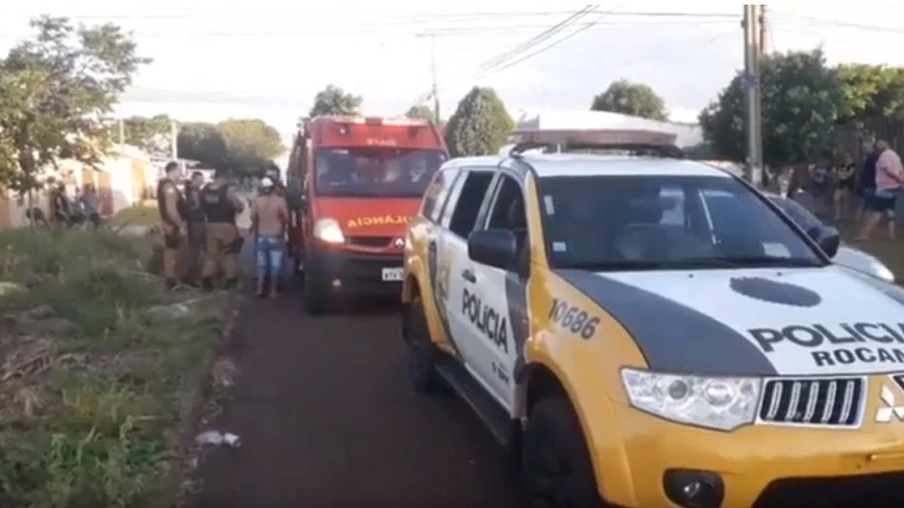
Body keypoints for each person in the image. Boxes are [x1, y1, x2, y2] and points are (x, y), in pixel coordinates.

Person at [200, 172, 244, 291]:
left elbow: (201, 207)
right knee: (229, 254)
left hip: (211, 224)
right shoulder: (227, 190)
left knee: (211, 256)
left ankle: (206, 281)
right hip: (226, 225)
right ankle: (230, 281)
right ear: (223, 178)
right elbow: (238, 207)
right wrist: (241, 205)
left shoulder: (204, 190)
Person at [857, 140, 903, 240]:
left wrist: (898, 178)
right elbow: (900, 170)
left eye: (880, 144)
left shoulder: (884, 155)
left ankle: (864, 235)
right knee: (890, 211)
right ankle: (891, 235)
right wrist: (900, 180)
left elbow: (887, 170)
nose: (878, 146)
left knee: (877, 211)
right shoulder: (895, 155)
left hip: (885, 187)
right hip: (895, 187)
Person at [252, 176, 289, 298]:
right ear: (273, 188)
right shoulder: (280, 201)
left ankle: (259, 290)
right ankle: (273, 291)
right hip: (276, 237)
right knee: (275, 265)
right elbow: (287, 218)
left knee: (261, 265)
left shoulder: (257, 201)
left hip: (262, 237)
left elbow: (253, 218)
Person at [157, 162, 188, 290]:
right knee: (173, 252)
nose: (181, 173)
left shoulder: (165, 185)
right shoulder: (169, 186)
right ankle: (172, 280)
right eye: (179, 170)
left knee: (171, 251)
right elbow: (171, 209)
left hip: (170, 223)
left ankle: (172, 279)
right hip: (172, 225)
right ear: (173, 170)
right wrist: (180, 224)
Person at [183, 171, 207, 285]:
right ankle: (191, 276)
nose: (202, 182)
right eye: (200, 180)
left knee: (197, 250)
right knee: (195, 250)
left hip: (198, 221)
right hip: (195, 222)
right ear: (194, 179)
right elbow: (193, 207)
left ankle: (196, 274)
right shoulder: (190, 191)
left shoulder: (196, 191)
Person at [855, 140, 880, 223]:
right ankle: (858, 221)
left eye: (865, 147)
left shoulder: (873, 157)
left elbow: (873, 172)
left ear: (871, 147)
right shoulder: (867, 157)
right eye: (863, 148)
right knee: (863, 204)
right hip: (865, 184)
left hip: (870, 185)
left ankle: (865, 223)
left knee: (868, 206)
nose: (864, 149)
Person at [833, 153, 857, 220]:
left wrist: (843, 174)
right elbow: (839, 174)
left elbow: (849, 174)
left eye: (848, 157)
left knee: (846, 200)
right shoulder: (843, 165)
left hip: (848, 184)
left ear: (851, 158)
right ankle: (838, 215)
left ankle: (845, 216)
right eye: (845, 157)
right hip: (841, 184)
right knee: (836, 199)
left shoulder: (853, 165)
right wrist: (842, 174)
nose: (846, 158)